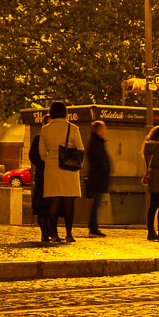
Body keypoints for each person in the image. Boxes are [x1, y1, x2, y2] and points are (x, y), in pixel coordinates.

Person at [40, 102, 84, 243]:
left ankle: (54, 234)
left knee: (54, 201)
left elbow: (41, 153)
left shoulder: (45, 130)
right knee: (69, 202)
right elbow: (81, 148)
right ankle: (69, 234)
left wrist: (51, 158)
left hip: (52, 167)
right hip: (68, 168)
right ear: (66, 113)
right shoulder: (73, 128)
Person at [29, 115, 52, 244]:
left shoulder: (52, 138)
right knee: (42, 205)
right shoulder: (38, 138)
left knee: (50, 205)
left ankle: (49, 232)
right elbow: (33, 155)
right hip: (42, 175)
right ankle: (45, 233)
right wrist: (43, 164)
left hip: (50, 174)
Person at [85, 120, 111, 237]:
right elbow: (101, 161)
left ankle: (93, 227)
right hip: (98, 179)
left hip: (96, 178)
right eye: (103, 128)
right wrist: (106, 169)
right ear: (99, 130)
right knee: (96, 204)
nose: (105, 131)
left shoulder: (94, 142)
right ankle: (93, 228)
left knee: (96, 204)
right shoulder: (97, 143)